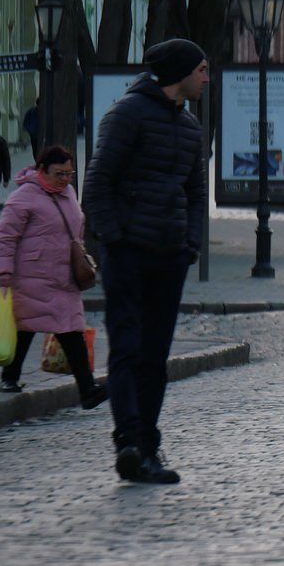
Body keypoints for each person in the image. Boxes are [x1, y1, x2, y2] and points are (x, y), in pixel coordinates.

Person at [84, 38, 209, 484]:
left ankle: (148, 450)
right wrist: (114, 240)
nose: (206, 78)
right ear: (180, 72)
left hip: (170, 256)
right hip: (129, 254)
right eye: (201, 70)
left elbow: (196, 194)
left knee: (155, 357)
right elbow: (97, 182)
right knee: (127, 350)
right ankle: (130, 443)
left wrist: (190, 244)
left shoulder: (191, 129)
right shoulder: (127, 114)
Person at [0, 146, 107, 410]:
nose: (65, 178)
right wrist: (2, 271)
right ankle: (11, 377)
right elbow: (5, 237)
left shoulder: (68, 194)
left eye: (69, 173)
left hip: (64, 276)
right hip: (32, 275)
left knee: (71, 329)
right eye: (59, 173)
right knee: (27, 326)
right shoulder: (23, 197)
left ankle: (87, 389)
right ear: (41, 170)